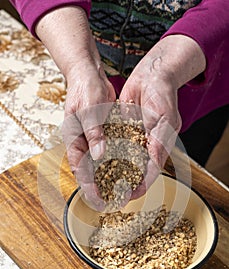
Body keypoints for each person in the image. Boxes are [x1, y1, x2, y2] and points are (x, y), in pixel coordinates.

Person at [10, 0, 229, 208]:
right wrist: (79, 64)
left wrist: (168, 66)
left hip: (200, 78)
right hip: (76, 46)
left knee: (188, 174)